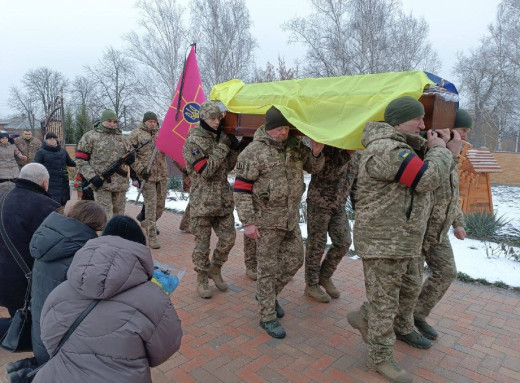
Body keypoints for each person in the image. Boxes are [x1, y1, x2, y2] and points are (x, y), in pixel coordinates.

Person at [347, 96, 459, 382]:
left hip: (405, 239)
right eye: (417, 119)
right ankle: (380, 357)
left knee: (408, 291)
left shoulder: (406, 146)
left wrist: (444, 149)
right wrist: (441, 151)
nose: (423, 125)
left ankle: (367, 316)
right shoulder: (386, 149)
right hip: (383, 242)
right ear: (397, 121)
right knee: (385, 303)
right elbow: (425, 179)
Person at [33, 215, 182, 383]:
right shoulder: (155, 299)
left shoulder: (59, 292)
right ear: (140, 249)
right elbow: (166, 348)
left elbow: (48, 338)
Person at [233, 106, 324, 339]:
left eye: (286, 128)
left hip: (290, 219)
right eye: (278, 129)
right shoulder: (253, 152)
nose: (283, 133)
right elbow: (242, 190)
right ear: (268, 128)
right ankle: (267, 316)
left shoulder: (294, 147)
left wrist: (315, 151)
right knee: (267, 269)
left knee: (295, 259)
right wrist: (248, 222)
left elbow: (314, 168)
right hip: (265, 221)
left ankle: (268, 295)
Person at [28, 200, 107, 365]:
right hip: (61, 340)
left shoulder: (50, 240)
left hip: (40, 327)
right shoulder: (80, 252)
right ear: (94, 226)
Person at [413, 109, 469, 340]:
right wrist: (449, 154)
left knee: (446, 272)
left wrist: (457, 222)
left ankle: (418, 313)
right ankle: (399, 322)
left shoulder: (452, 153)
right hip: (419, 229)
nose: (465, 137)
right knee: (409, 282)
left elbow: (450, 194)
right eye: (463, 130)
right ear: (449, 129)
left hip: (438, 231)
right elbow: (426, 184)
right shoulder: (429, 150)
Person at [182, 101, 240, 298]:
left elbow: (227, 166)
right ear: (203, 119)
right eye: (212, 118)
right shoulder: (193, 141)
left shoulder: (220, 137)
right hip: (203, 202)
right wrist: (224, 146)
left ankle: (215, 268)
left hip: (222, 199)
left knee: (229, 239)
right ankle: (202, 279)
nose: (217, 122)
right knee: (202, 245)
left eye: (218, 118)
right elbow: (206, 170)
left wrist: (236, 148)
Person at [0, 163, 60, 336]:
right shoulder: (48, 207)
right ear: (45, 183)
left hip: (5, 275)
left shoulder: (2, 198)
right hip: (24, 283)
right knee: (30, 328)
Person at [304, 146, 357, 303]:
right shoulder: (328, 148)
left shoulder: (357, 155)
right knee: (316, 245)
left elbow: (355, 183)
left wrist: (358, 206)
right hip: (319, 204)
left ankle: (324, 276)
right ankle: (311, 284)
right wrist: (347, 154)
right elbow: (327, 172)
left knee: (344, 242)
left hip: (338, 207)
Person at [75, 109, 134, 220]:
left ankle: (116, 237)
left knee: (119, 218)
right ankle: (106, 237)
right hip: (102, 184)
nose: (112, 124)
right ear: (102, 121)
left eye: (114, 122)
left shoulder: (122, 138)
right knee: (106, 218)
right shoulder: (90, 137)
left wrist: (130, 159)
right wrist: (92, 177)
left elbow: (129, 156)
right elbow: (80, 160)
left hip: (120, 186)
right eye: (109, 121)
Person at [128, 112, 168, 249]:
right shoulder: (136, 134)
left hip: (161, 175)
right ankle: (152, 237)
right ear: (144, 122)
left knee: (160, 206)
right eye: (150, 121)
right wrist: (140, 170)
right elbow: (130, 156)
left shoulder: (162, 134)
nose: (152, 123)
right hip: (147, 176)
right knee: (151, 206)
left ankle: (147, 223)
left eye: (154, 121)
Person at [34, 132, 76, 206]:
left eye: (54, 139)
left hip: (63, 183)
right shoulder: (41, 152)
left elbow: (70, 162)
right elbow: (37, 167)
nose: (52, 140)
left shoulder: (63, 151)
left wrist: (81, 162)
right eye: (50, 139)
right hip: (49, 183)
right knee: (51, 204)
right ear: (45, 140)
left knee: (64, 204)